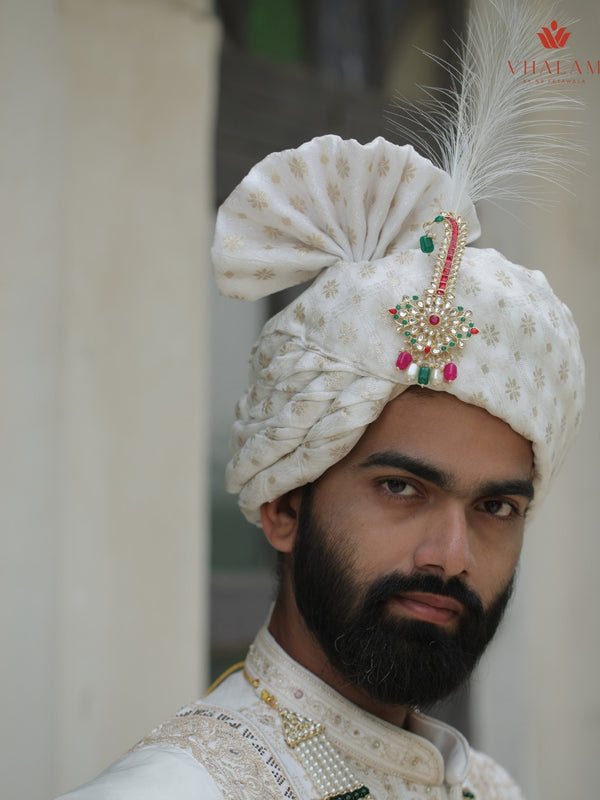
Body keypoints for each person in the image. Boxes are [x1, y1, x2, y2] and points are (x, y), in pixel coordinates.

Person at [57, 3, 584, 799]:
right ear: (283, 504)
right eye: (402, 487)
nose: (452, 554)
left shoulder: (489, 789)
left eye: (497, 507)